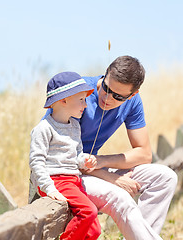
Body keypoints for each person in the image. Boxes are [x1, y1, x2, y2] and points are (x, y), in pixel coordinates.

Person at [41, 56, 178, 240]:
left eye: (118, 96)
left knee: (166, 177)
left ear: (133, 95)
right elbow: (57, 152)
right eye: (106, 88)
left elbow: (144, 153)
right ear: (106, 74)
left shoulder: (133, 103)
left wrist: (102, 162)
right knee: (120, 198)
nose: (107, 97)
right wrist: (111, 178)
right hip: (66, 173)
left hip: (91, 168)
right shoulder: (78, 95)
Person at [30, 71, 101, 240]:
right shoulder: (44, 129)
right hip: (56, 180)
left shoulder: (75, 126)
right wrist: (49, 188)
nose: (86, 105)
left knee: (94, 230)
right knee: (88, 211)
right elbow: (36, 162)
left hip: (73, 181)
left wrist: (84, 161)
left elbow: (75, 156)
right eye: (81, 100)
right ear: (64, 100)